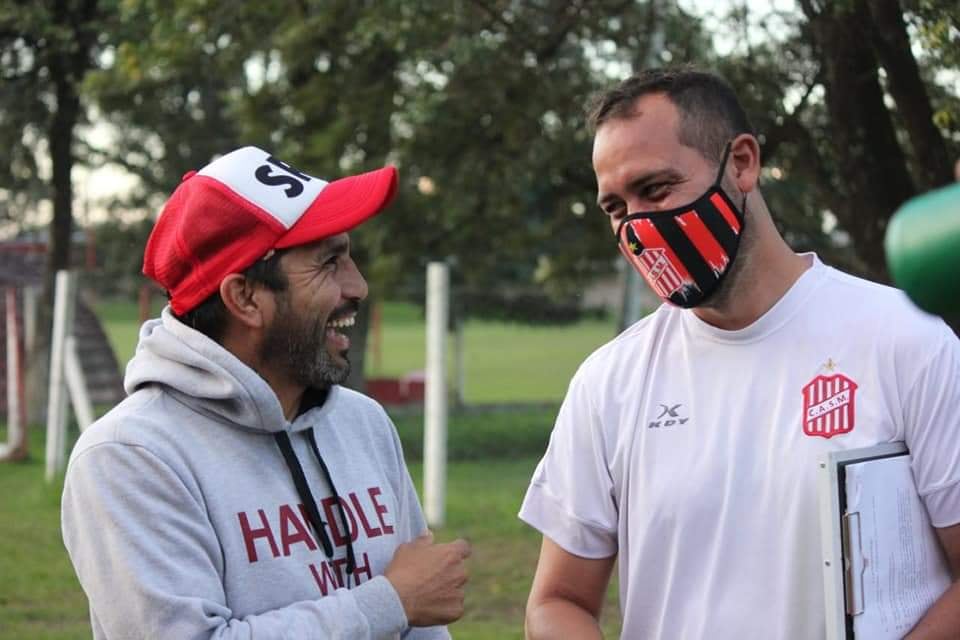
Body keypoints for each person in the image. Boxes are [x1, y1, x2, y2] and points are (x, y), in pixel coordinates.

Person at [519, 68, 960, 639]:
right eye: (615, 207)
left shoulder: (906, 338)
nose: (638, 225)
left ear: (744, 163)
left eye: (655, 189)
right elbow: (556, 602)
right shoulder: (610, 381)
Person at [61, 146, 470, 639]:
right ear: (245, 297)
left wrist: (405, 605)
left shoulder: (363, 423)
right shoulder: (131, 457)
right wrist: (388, 603)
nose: (357, 285)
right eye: (328, 263)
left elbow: (421, 620)